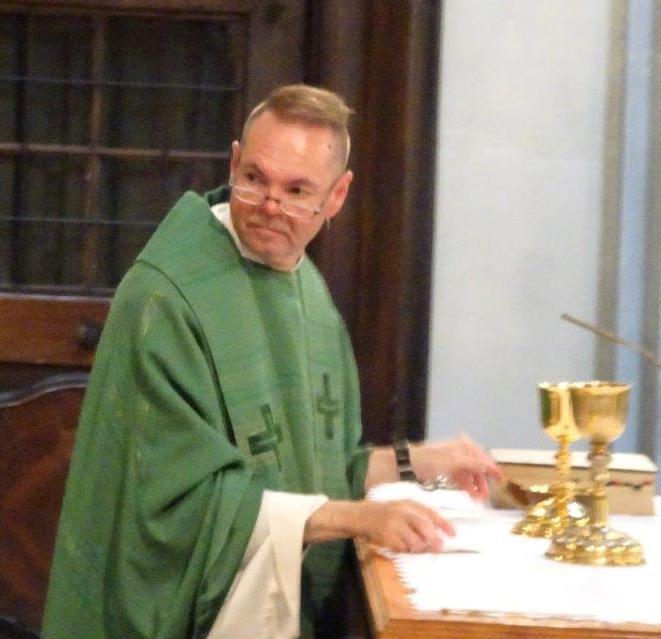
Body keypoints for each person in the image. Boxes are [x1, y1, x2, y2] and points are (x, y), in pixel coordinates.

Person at [42, 84, 503, 639]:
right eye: (255, 178)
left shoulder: (306, 290)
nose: (269, 205)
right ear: (234, 162)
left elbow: (317, 470)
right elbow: (175, 507)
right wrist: (358, 518)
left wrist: (420, 461)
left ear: (337, 196)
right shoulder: (166, 299)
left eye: (297, 190)